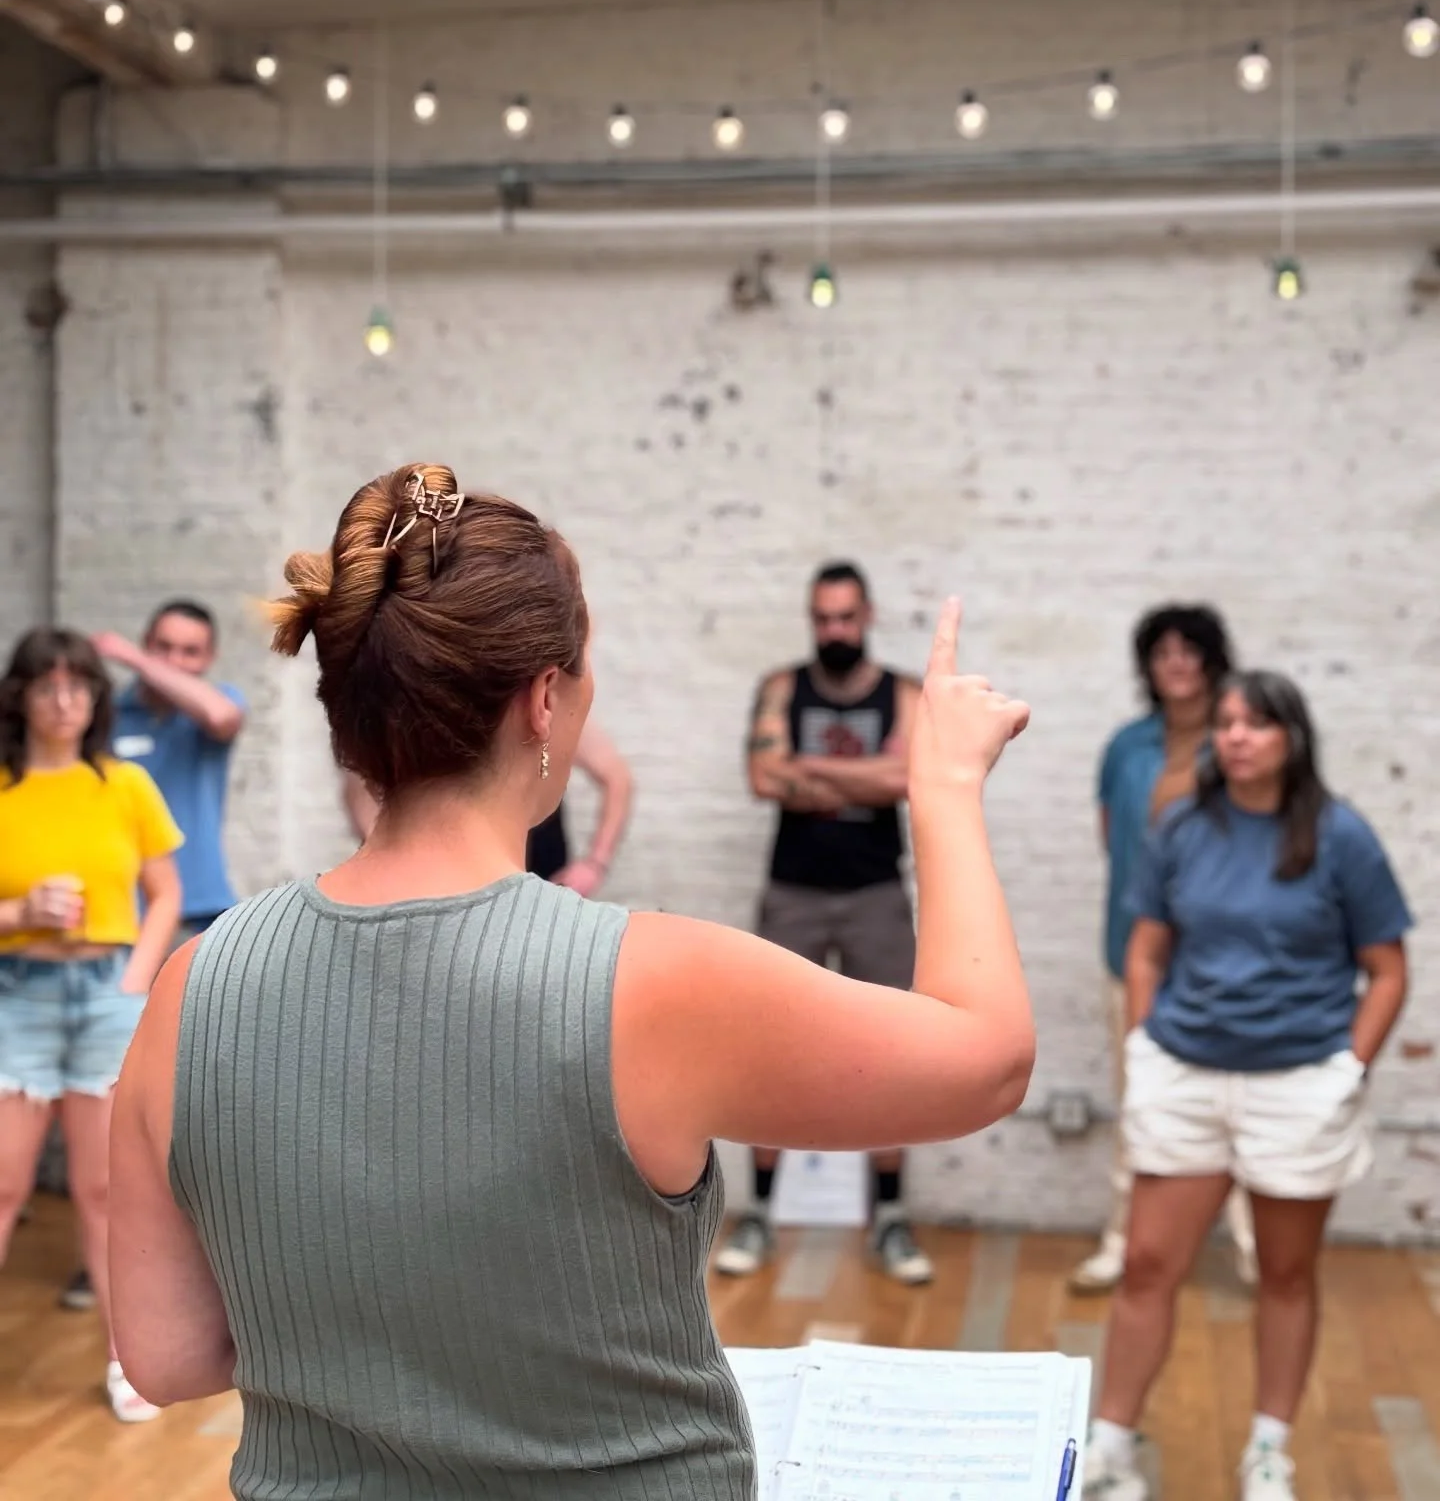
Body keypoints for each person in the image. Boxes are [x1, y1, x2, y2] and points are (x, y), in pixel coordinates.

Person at [109, 463, 1034, 1498]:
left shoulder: (192, 987)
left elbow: (166, 1356)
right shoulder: (648, 980)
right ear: (544, 698)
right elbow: (986, 1059)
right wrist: (943, 785)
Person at [1082, 671, 1411, 1501]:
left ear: (1291, 739)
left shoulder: (1342, 837)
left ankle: (1269, 1453)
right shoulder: (1183, 826)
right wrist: (1146, 1046)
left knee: (1286, 1275)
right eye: (1225, 723)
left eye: (1255, 724)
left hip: (1298, 1087)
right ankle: (1110, 1450)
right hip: (1186, 1075)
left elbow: (1388, 970)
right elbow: (1146, 948)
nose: (1234, 736)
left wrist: (1348, 1069)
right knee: (1149, 1265)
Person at [715, 561, 930, 1285]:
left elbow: (909, 780)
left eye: (845, 617)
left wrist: (808, 768)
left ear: (867, 616)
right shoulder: (783, 688)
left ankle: (892, 1218)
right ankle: (762, 1213)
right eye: (822, 618)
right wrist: (865, 771)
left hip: (876, 893)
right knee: (768, 1050)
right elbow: (760, 778)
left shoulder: (902, 693)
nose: (834, 630)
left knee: (895, 1052)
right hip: (794, 893)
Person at [0, 627, 182, 1424]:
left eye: (79, 686)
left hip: (109, 995)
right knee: (3, 1186)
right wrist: (19, 912)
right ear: (22, 697)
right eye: (48, 685)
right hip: (19, 994)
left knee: (105, 1191)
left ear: (97, 699)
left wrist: (135, 978)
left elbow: (166, 894)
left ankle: (127, 1361)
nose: (65, 700)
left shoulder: (126, 784)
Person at [1071, 603, 1257, 1294]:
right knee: (1140, 1104)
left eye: (1190, 651)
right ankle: (1123, 1244)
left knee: (1242, 1105)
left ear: (1213, 659)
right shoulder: (1128, 747)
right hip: (1133, 954)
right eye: (1162, 653)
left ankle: (1255, 1250)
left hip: (1225, 961)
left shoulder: (1244, 743)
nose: (1176, 664)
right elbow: (1113, 838)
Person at [342, 719, 633, 897]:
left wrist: (595, 863)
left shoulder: (550, 714)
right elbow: (359, 781)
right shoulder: (418, 704)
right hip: (442, 884)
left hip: (542, 878)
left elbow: (617, 779)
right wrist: (384, 857)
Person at [98, 600, 246, 939]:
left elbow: (220, 718)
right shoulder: (108, 715)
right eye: (162, 647)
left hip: (199, 907)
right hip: (122, 910)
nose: (174, 661)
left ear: (210, 659)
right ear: (146, 641)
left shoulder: (220, 701)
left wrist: (136, 659)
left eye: (190, 652)